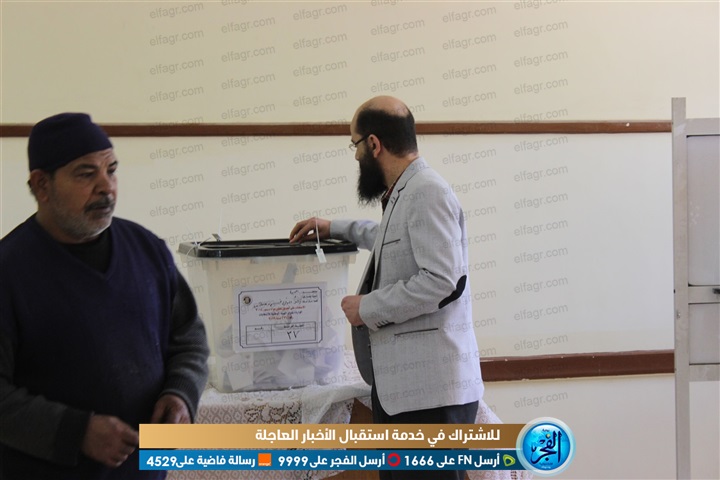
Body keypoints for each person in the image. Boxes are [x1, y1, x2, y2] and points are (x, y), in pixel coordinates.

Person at [0, 113, 209, 479]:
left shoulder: (147, 250)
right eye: (86, 174)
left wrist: (181, 392)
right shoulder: (9, 271)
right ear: (42, 185)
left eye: (111, 170)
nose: (106, 187)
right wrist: (75, 431)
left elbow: (188, 337)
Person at [290, 96, 484, 480]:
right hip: (408, 394)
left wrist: (367, 308)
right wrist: (334, 227)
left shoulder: (427, 191)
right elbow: (389, 237)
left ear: (374, 144)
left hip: (430, 400)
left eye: (355, 145)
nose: (356, 155)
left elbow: (443, 281)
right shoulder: (407, 190)